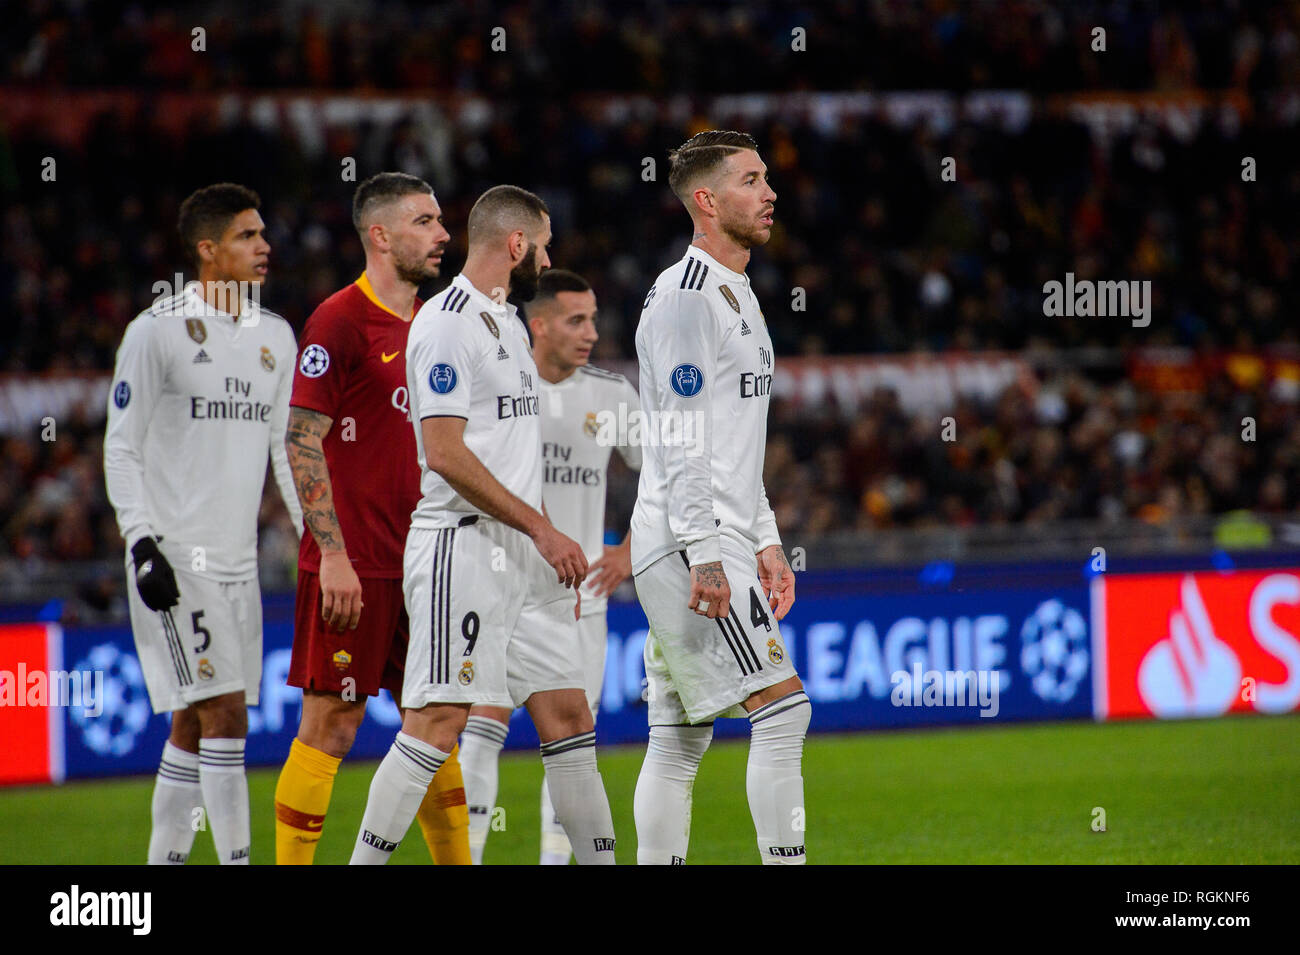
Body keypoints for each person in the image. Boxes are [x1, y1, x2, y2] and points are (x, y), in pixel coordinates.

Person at [350, 185, 616, 865]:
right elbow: (443, 452)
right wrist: (543, 529)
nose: (549, 256)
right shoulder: (447, 322)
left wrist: (548, 535)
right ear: (518, 245)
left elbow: (514, 458)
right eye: (545, 244)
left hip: (527, 558)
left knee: (569, 716)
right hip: (461, 547)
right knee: (438, 722)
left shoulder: (507, 328)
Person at [273, 172, 470, 865]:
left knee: (437, 720)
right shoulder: (338, 319)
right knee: (334, 721)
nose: (444, 234)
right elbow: (301, 438)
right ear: (381, 235)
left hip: (426, 563)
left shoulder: (437, 325)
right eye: (425, 221)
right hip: (355, 564)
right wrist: (332, 555)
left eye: (441, 220)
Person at [104, 182, 303, 865]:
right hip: (175, 560)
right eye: (248, 235)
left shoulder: (276, 336)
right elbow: (120, 445)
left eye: (263, 233)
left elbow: (285, 448)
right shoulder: (155, 332)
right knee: (226, 713)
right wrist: (140, 542)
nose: (264, 245)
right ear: (208, 251)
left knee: (192, 724)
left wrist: (318, 542)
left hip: (240, 562)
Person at [630, 131, 808, 865]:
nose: (770, 192)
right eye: (751, 179)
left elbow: (735, 440)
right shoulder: (687, 298)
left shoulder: (736, 292)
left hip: (714, 535)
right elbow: (680, 438)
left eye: (767, 177)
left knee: (678, 738)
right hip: (688, 540)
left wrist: (765, 539)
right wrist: (707, 554)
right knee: (784, 709)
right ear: (707, 201)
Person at [457, 268, 640, 865]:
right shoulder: (505, 390)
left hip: (577, 602)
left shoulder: (610, 395)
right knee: (478, 731)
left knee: (568, 744)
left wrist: (630, 549)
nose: (591, 332)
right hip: (498, 586)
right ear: (537, 325)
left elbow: (665, 473)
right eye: (576, 320)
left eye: (593, 319)